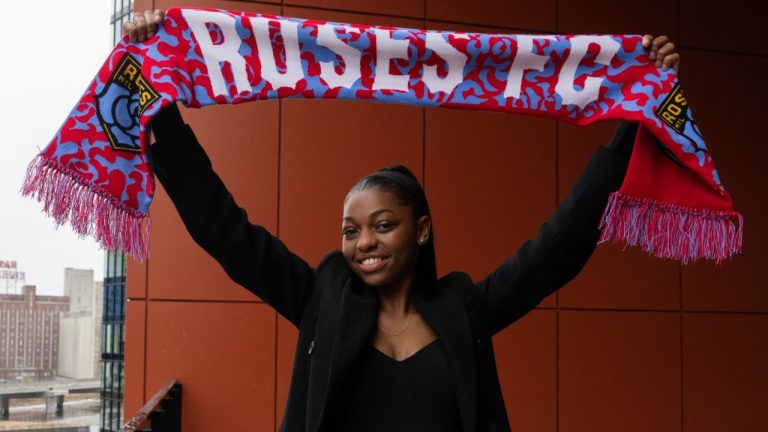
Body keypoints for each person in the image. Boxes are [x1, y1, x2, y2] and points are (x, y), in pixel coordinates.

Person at [127, 10, 680, 432]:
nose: (363, 242)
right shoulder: (322, 300)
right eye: (350, 230)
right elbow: (224, 230)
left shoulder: (465, 309)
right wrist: (163, 111)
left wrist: (633, 119)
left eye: (382, 225)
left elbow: (559, 245)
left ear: (421, 229)